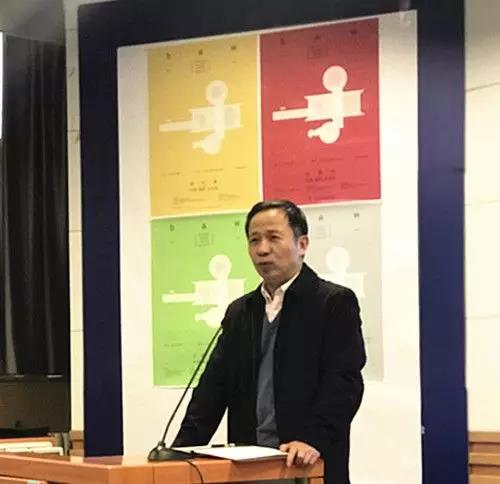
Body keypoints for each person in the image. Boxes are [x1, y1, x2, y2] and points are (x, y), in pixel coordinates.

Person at [173, 200, 366, 484]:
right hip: (248, 467)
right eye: (254, 240)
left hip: (305, 463)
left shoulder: (332, 303)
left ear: (302, 244)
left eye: (273, 238)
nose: (262, 249)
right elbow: (212, 389)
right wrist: (180, 452)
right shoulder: (241, 311)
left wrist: (313, 439)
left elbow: (344, 381)